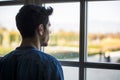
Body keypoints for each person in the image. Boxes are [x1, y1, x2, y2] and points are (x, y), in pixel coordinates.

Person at [0, 4, 64, 80]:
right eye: (48, 26)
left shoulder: (3, 62)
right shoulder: (50, 64)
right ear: (41, 29)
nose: (50, 31)